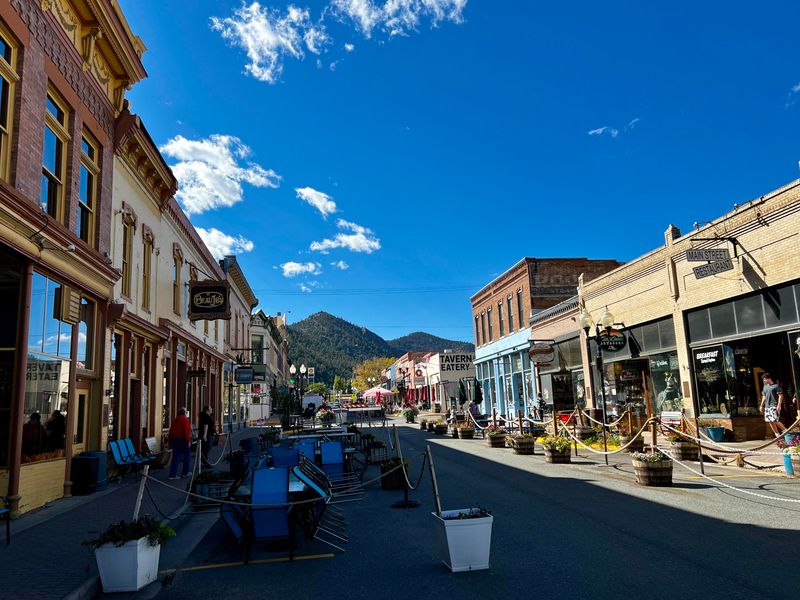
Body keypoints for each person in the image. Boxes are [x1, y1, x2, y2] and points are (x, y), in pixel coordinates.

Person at [168, 407, 192, 479]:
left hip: (175, 440)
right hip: (183, 440)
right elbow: (187, 432)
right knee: (186, 456)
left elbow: (171, 432)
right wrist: (188, 441)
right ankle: (185, 472)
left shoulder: (175, 420)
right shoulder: (185, 420)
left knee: (175, 457)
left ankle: (172, 475)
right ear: (184, 413)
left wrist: (170, 442)